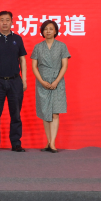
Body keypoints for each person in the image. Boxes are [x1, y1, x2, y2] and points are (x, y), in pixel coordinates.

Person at [0, 11, 28, 153]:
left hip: (15, 81)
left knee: (16, 114)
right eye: (1, 20)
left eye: (7, 20)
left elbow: (22, 60)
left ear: (12, 22)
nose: (4, 22)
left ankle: (16, 143)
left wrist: (24, 79)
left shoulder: (18, 39)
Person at [31, 20, 70, 153]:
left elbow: (65, 65)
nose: (48, 31)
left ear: (55, 31)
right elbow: (34, 67)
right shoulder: (38, 47)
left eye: (51, 29)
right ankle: (48, 142)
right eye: (45, 29)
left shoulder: (62, 46)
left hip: (57, 82)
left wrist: (56, 81)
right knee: (45, 113)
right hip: (42, 82)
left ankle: (52, 143)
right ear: (42, 31)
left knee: (55, 113)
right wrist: (42, 81)